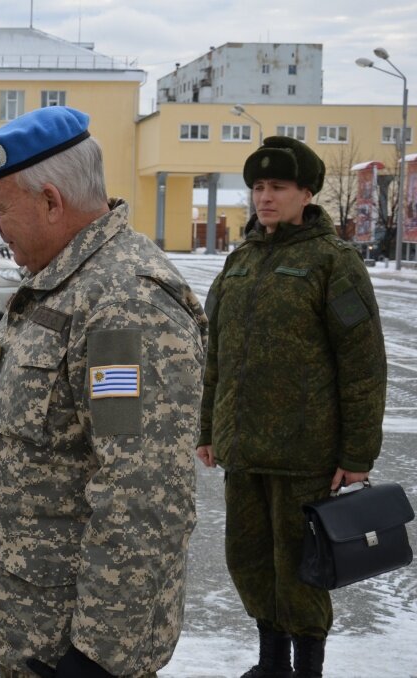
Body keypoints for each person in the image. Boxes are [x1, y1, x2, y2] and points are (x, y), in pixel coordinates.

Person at [0, 106, 207, 677]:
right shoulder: (65, 282)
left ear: (52, 202)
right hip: (36, 631)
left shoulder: (124, 305)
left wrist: (98, 659)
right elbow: (23, 405)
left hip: (75, 647)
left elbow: (144, 493)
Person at [196, 137, 387, 678]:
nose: (265, 197)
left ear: (306, 191)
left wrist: (357, 453)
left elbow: (363, 364)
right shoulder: (240, 261)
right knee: (250, 563)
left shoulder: (333, 261)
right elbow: (217, 356)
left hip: (307, 454)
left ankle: (307, 669)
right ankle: (270, 664)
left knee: (302, 572)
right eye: (258, 187)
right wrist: (208, 428)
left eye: (277, 187)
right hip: (244, 451)